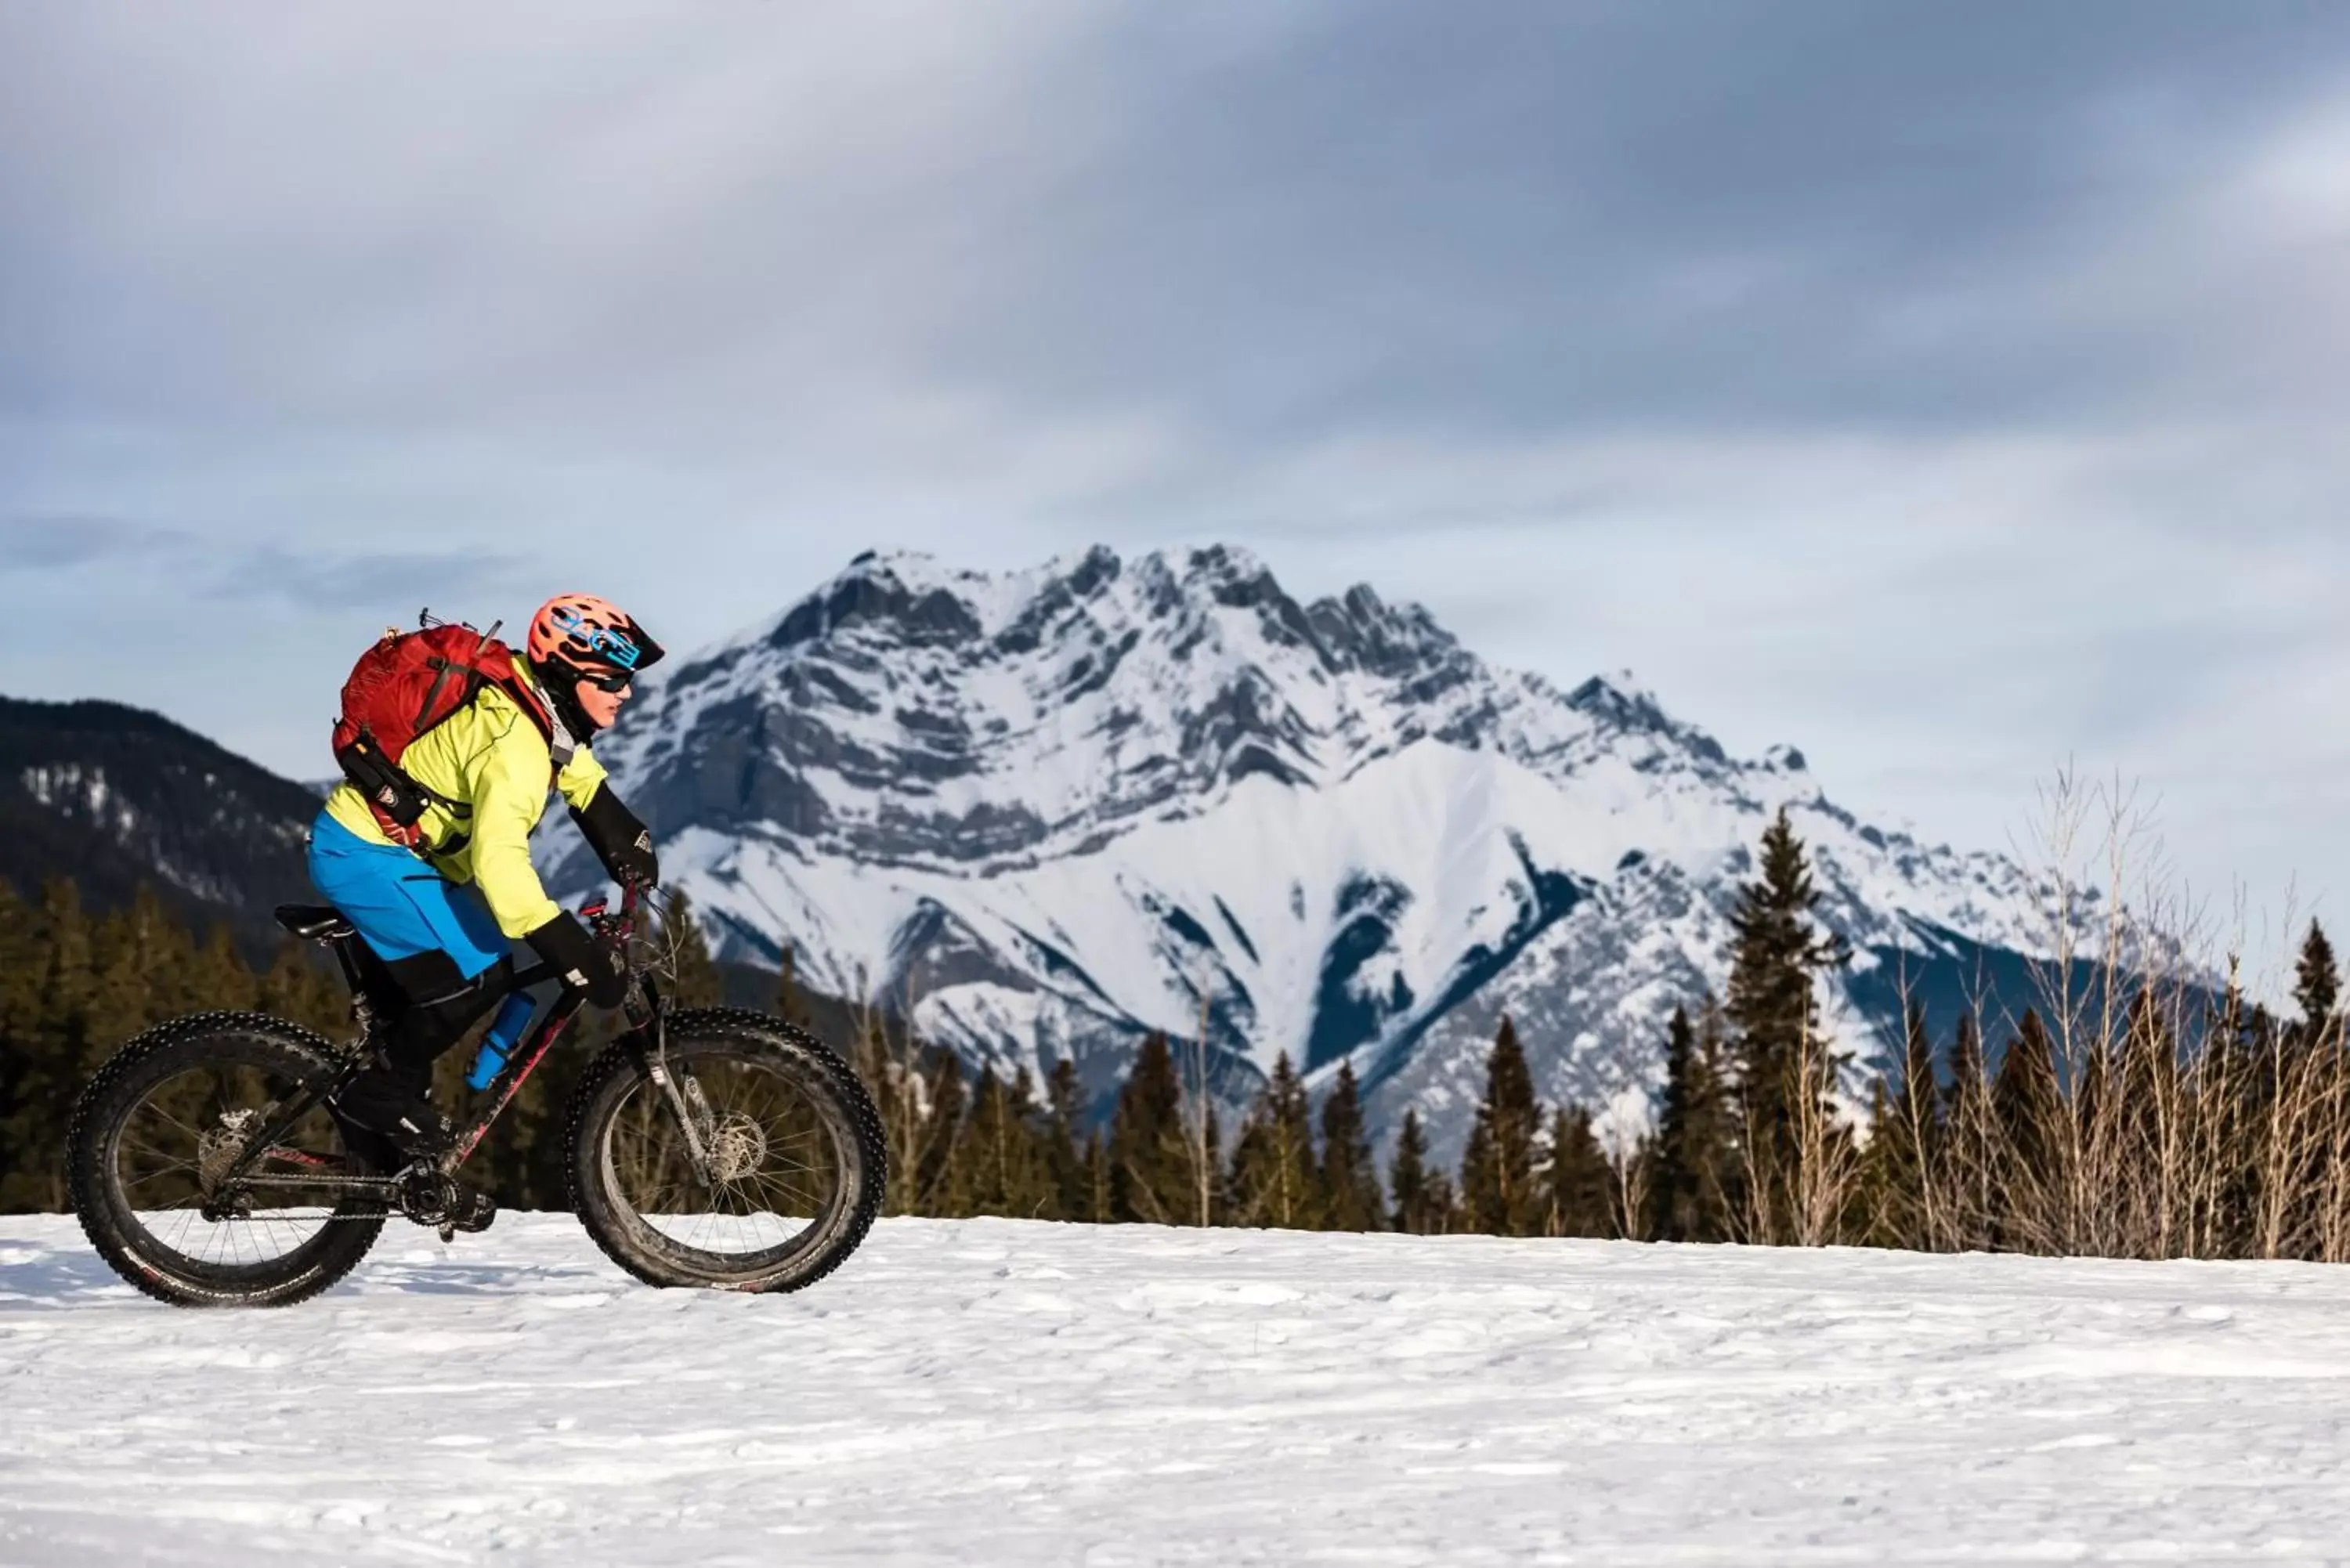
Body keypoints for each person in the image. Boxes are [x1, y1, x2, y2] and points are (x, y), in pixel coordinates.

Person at [306, 594, 665, 1201]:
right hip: (363, 855)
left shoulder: (535, 709)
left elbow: (576, 774)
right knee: (474, 977)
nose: (626, 691)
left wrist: (628, 844)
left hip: (401, 858)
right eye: (612, 679)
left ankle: (392, 1153)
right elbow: (499, 869)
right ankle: (378, 1097)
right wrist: (569, 947)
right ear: (570, 676)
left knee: (477, 970)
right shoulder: (517, 747)